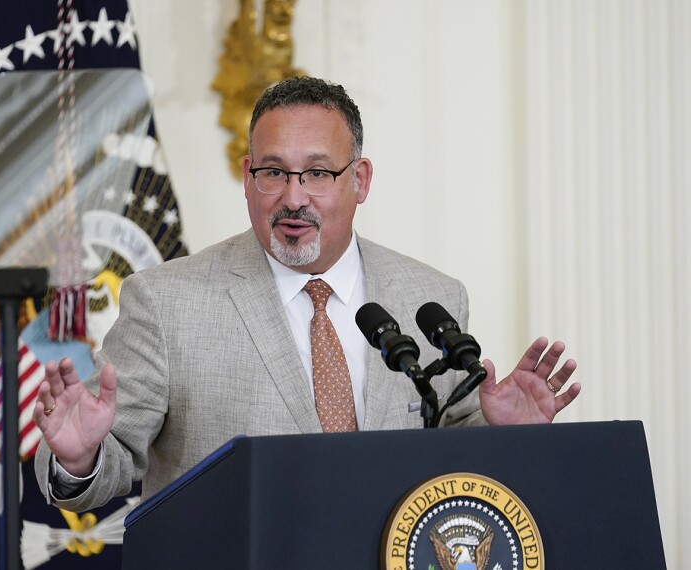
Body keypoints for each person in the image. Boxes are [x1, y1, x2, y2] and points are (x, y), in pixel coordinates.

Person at [33, 77, 581, 511]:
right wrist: (78, 459)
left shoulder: (432, 297)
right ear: (249, 176)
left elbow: (452, 452)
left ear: (360, 180)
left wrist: (505, 437)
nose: (294, 198)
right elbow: (107, 460)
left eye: (318, 173)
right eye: (274, 172)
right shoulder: (166, 302)